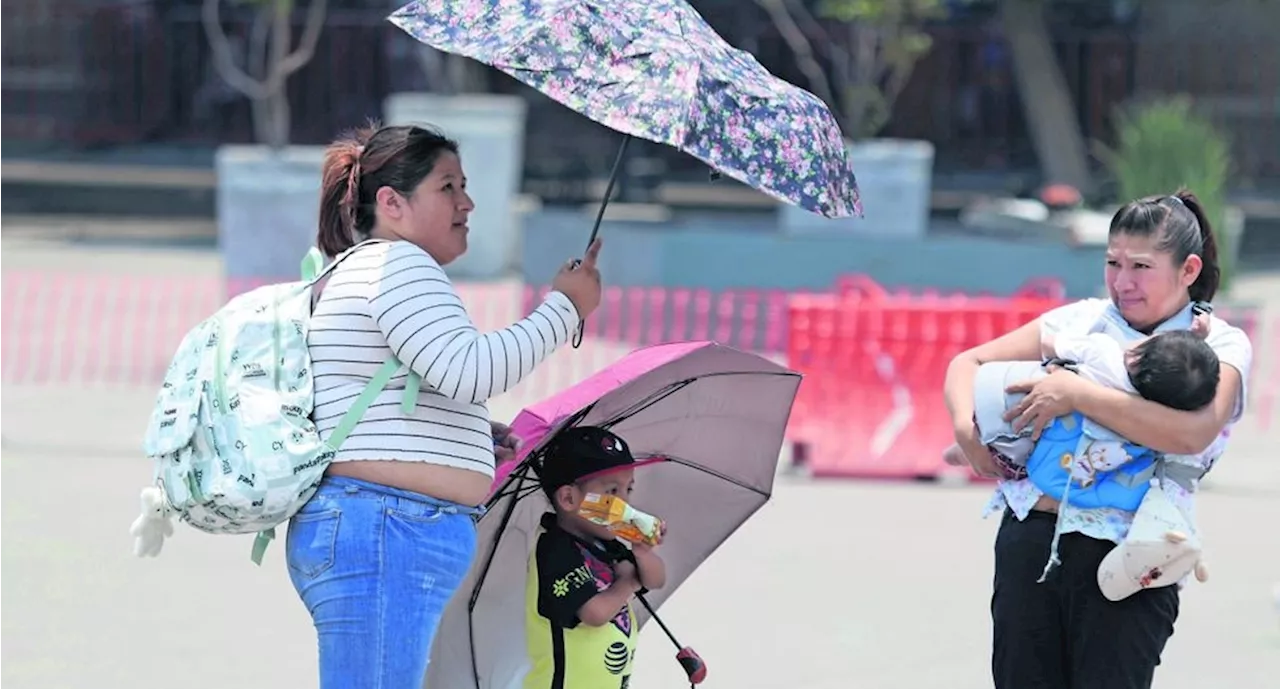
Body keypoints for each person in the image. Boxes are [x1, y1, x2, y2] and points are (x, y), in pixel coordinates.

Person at [286, 122, 605, 689]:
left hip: (381, 526)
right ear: (391, 203)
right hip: (385, 526)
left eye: (464, 186)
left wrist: (464, 434)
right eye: (448, 187)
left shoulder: (367, 268)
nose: (468, 202)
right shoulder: (398, 265)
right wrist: (564, 309)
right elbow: (469, 369)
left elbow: (403, 390)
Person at [942, 190, 1253, 689]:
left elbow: (1193, 433)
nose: (1122, 281)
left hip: (1132, 555)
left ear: (1188, 269)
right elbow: (968, 363)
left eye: (1141, 266)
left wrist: (1076, 394)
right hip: (1031, 536)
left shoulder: (1217, 344)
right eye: (1113, 262)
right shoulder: (1079, 321)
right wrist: (967, 435)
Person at [944, 316, 1220, 483]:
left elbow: (1048, 343)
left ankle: (962, 448)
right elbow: (1178, 370)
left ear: (1135, 354)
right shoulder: (1137, 412)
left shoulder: (1104, 350)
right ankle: (963, 451)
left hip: (994, 394)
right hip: (1014, 457)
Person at [524, 426, 667, 689]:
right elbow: (595, 612)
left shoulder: (607, 543)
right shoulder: (555, 549)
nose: (624, 503)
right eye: (612, 492)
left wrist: (642, 552)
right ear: (568, 498)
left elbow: (656, 579)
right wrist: (628, 583)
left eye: (629, 489)